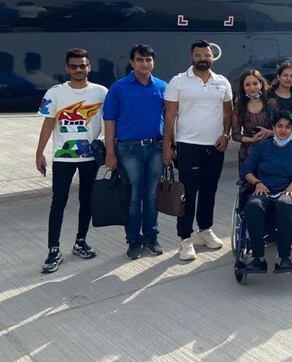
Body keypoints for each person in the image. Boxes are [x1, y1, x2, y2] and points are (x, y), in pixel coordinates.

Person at [35, 48, 107, 273]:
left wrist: (106, 146)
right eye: (74, 66)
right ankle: (53, 250)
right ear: (67, 68)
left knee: (87, 201)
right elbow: (48, 123)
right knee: (59, 201)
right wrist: (39, 153)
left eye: (82, 65)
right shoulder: (55, 92)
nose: (78, 69)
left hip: (89, 158)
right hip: (62, 158)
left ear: (89, 67)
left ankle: (80, 242)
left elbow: (110, 122)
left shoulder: (102, 93)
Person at [163, 40, 233, 261]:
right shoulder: (178, 81)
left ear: (212, 57)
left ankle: (205, 230)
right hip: (188, 146)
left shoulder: (222, 82)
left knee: (209, 191)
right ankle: (185, 239)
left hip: (215, 146)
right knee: (187, 194)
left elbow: (228, 113)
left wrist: (226, 135)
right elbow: (170, 116)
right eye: (199, 55)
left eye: (207, 55)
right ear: (191, 57)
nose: (203, 58)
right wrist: (167, 146)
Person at [103, 44, 168, 260]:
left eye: (148, 60)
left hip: (156, 147)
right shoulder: (119, 88)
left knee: (151, 195)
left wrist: (170, 145)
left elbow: (170, 119)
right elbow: (109, 120)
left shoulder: (162, 86)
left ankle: (151, 237)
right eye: (140, 60)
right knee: (133, 196)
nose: (144, 63)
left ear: (154, 62)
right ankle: (133, 240)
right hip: (128, 149)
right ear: (132, 62)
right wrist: (110, 151)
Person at [240, 110, 292, 272]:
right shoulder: (263, 146)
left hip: (287, 192)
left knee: (283, 204)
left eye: (287, 127)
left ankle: (284, 257)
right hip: (264, 190)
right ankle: (258, 257)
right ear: (273, 127)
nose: (283, 130)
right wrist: (257, 182)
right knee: (253, 205)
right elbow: (247, 170)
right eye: (279, 126)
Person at [231, 69, 272, 168]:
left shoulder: (271, 103)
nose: (252, 88)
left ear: (261, 84)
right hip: (248, 154)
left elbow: (281, 128)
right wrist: (252, 139)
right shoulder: (239, 105)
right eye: (247, 85)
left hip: (270, 151)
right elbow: (235, 135)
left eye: (255, 83)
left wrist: (269, 132)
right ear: (243, 87)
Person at [265, 59, 292, 138]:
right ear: (278, 77)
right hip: (271, 140)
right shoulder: (268, 95)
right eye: (285, 75)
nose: (288, 78)